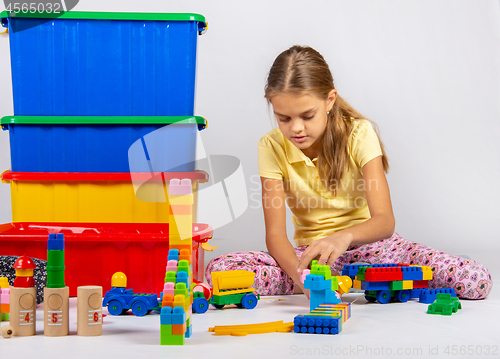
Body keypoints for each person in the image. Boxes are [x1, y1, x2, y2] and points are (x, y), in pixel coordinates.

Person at [205, 45, 492, 300]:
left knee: (475, 280)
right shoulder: (270, 146)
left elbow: (384, 221)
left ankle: (393, 279)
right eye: (284, 118)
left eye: (307, 116)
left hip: (376, 253)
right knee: (220, 270)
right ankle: (331, 283)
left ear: (329, 100)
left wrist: (342, 238)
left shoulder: (359, 133)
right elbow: (276, 236)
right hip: (312, 260)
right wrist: (303, 278)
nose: (296, 128)